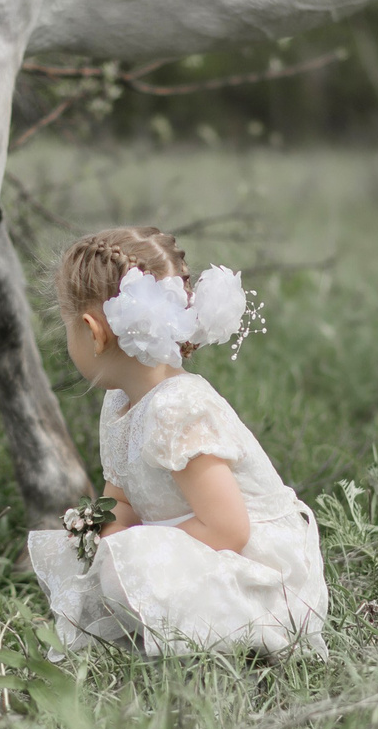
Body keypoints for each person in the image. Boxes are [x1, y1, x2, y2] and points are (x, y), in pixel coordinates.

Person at [27, 226, 329, 657]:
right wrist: (109, 542)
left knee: (130, 563)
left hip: (258, 572)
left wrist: (143, 547)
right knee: (110, 563)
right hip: (204, 545)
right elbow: (122, 500)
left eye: (67, 327)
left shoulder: (178, 408)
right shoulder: (119, 405)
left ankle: (233, 640)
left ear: (93, 331)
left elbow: (229, 528)